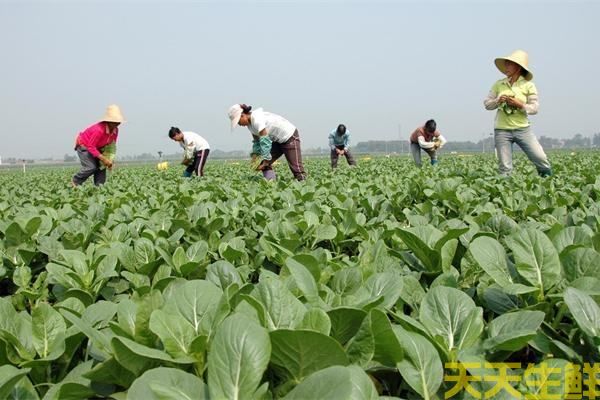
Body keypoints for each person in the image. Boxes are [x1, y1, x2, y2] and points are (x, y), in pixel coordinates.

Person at [484, 50, 552, 177]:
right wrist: (498, 100)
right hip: (502, 130)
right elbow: (487, 104)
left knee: (540, 158)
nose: (506, 67)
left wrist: (520, 105)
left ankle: (548, 184)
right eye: (506, 64)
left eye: (509, 64)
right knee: (505, 167)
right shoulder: (499, 84)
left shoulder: (529, 85)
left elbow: (535, 108)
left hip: (522, 129)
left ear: (519, 67)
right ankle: (505, 193)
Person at [228, 104, 306, 181]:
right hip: (277, 141)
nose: (239, 124)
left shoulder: (257, 119)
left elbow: (265, 141)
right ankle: (271, 182)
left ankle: (303, 182)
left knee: (296, 168)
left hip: (289, 136)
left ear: (242, 115)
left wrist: (266, 160)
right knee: (261, 163)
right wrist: (256, 156)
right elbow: (257, 142)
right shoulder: (250, 126)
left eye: (238, 121)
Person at [72, 104, 124, 186]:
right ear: (109, 121)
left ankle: (99, 188)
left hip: (98, 148)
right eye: (115, 121)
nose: (118, 123)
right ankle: (75, 182)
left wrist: (110, 160)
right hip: (84, 146)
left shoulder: (115, 130)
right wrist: (103, 159)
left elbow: (111, 146)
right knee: (91, 167)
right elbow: (90, 146)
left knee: (101, 167)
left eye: (119, 121)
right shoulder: (99, 129)